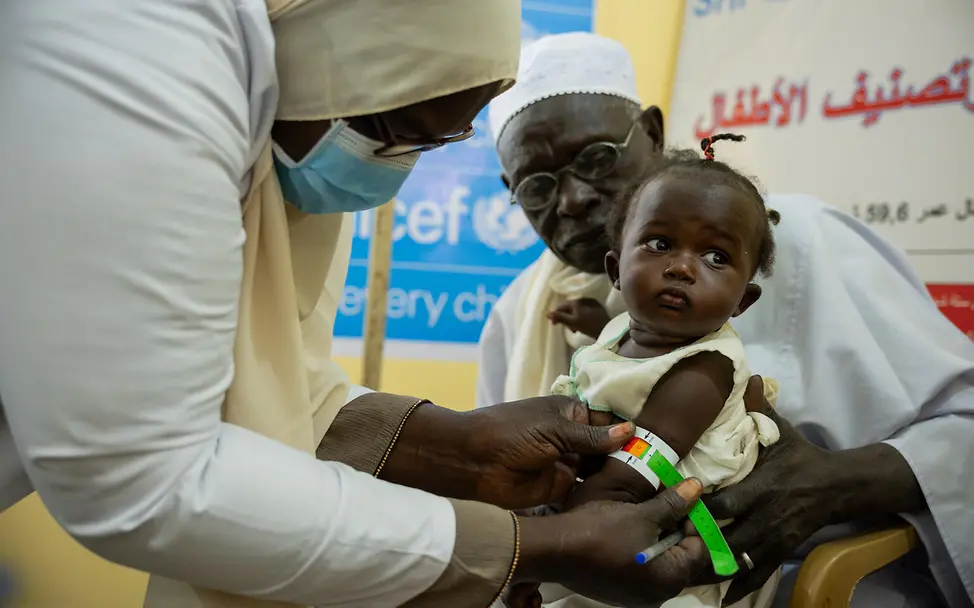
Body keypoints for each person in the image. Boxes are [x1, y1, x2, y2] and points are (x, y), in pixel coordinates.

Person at [0, 3, 716, 608]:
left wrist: (460, 446)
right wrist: (535, 546)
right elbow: (143, 478)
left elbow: (283, 396)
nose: (396, 166)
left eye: (437, 141)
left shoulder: (297, 127)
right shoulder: (144, 51)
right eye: (399, 132)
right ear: (336, 63)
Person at [480, 32, 974, 607]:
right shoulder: (518, 313)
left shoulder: (802, 241)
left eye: (596, 157)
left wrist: (829, 486)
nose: (571, 200)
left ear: (653, 133)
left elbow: (964, 428)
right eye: (537, 185)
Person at [508, 135, 787, 608]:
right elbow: (620, 377)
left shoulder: (704, 371)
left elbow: (631, 478)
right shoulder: (620, 331)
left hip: (679, 557)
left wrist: (538, 539)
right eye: (660, 244)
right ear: (616, 270)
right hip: (608, 516)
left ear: (743, 300)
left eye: (716, 257)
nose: (682, 267)